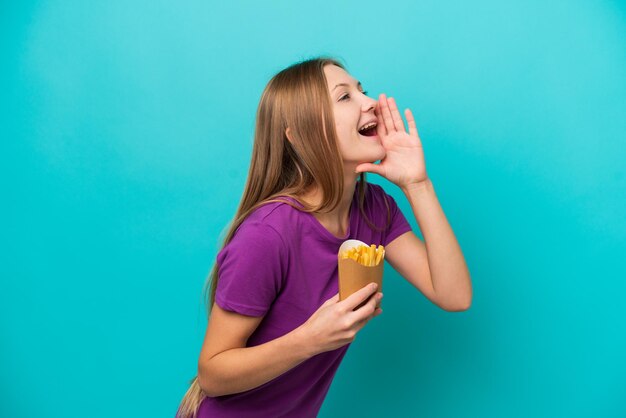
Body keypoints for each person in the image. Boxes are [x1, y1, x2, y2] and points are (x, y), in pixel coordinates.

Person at [175, 57, 472, 418]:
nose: (370, 102)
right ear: (299, 135)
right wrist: (310, 340)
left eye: (361, 89)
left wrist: (417, 183)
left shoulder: (373, 208)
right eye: (344, 97)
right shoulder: (267, 234)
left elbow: (454, 295)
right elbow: (212, 373)